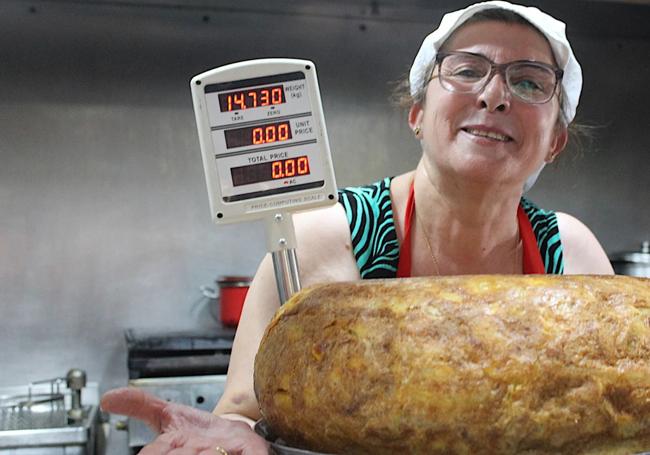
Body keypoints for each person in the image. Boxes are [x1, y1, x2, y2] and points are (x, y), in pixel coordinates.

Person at [101, 1, 614, 453]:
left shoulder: (573, 260)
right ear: (417, 113)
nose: (495, 95)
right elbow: (243, 410)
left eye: (529, 82)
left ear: (554, 142)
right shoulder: (321, 243)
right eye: (466, 70)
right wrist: (237, 433)